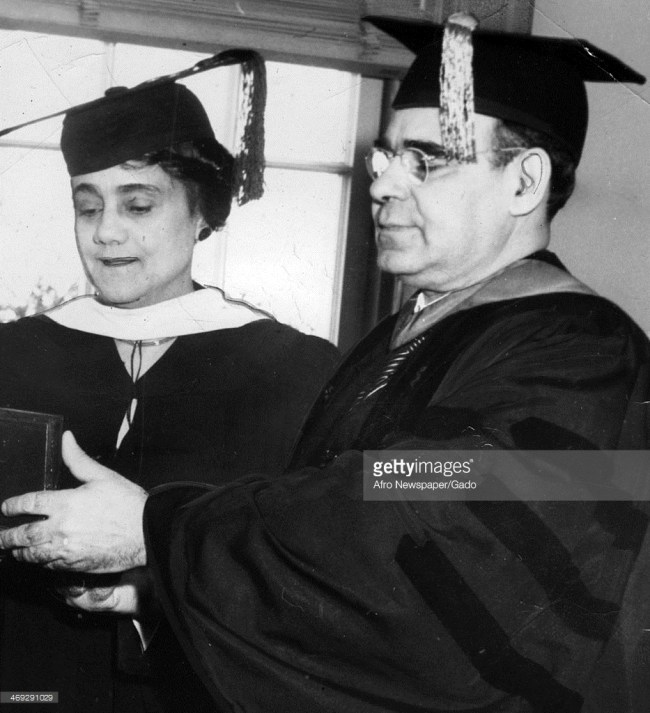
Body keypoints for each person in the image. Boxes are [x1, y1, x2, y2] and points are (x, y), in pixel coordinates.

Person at [1, 15, 649, 713]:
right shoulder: (402, 339)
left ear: (525, 181)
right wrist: (162, 585)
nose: (385, 184)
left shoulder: (580, 352)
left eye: (426, 160)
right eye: (385, 158)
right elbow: (359, 510)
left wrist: (154, 531)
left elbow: (418, 508)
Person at [0, 51, 339, 712]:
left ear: (202, 210)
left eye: (139, 204)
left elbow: (323, 560)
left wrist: (160, 581)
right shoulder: (12, 354)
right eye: (87, 206)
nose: (106, 233)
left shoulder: (294, 371)